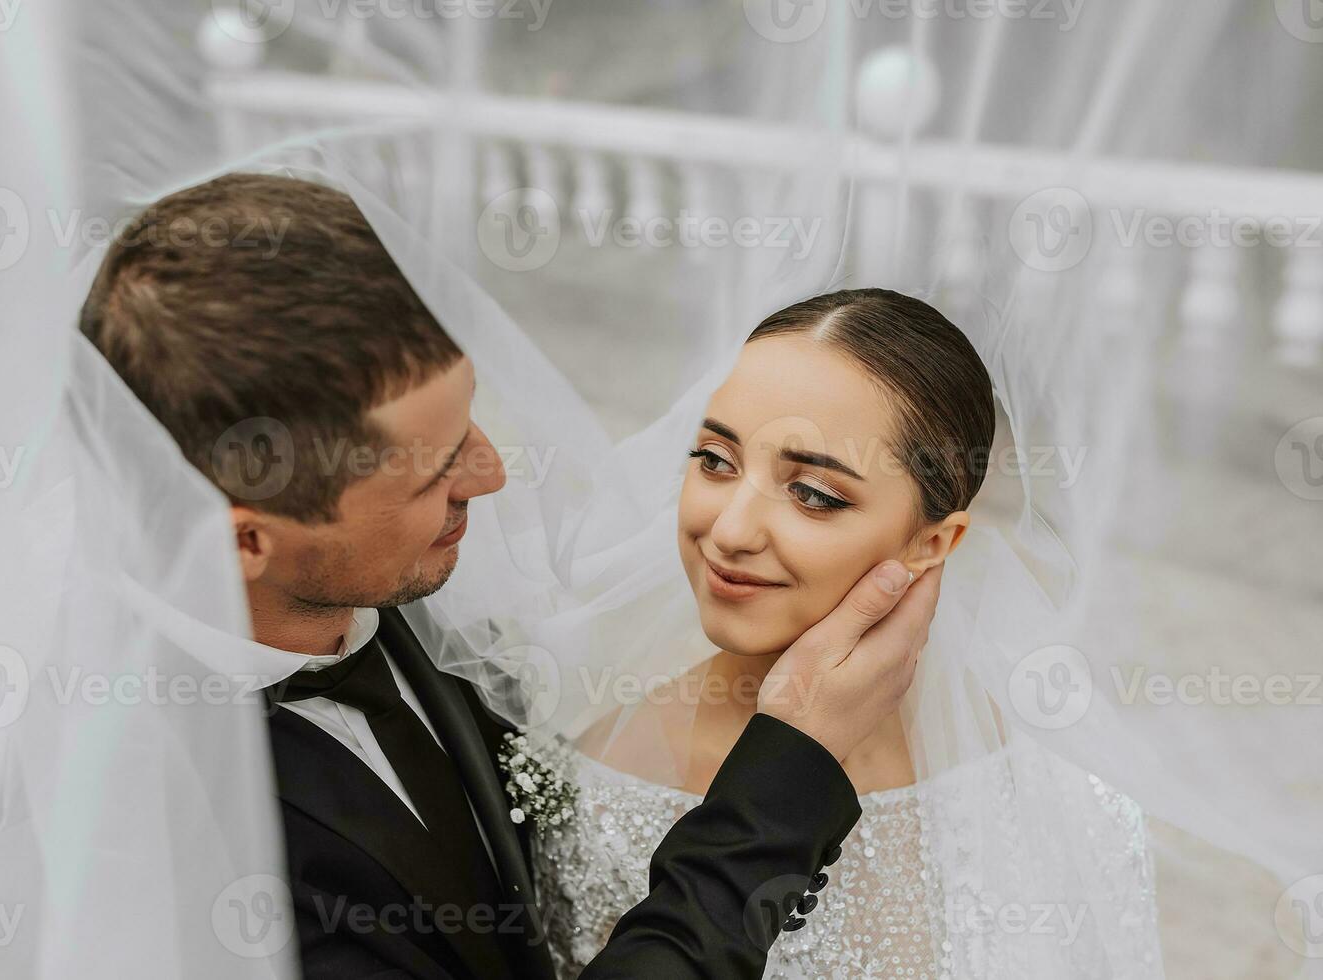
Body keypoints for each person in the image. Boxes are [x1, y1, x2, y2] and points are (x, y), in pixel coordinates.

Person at [78, 172, 941, 979]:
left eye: (469, 421)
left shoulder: (394, 593)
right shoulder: (161, 845)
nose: (490, 475)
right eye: (434, 469)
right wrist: (792, 770)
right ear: (244, 542)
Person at [533, 291, 1163, 978]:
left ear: (932, 543)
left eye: (813, 494)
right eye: (715, 460)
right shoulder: (604, 782)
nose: (730, 531)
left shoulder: (1059, 791)